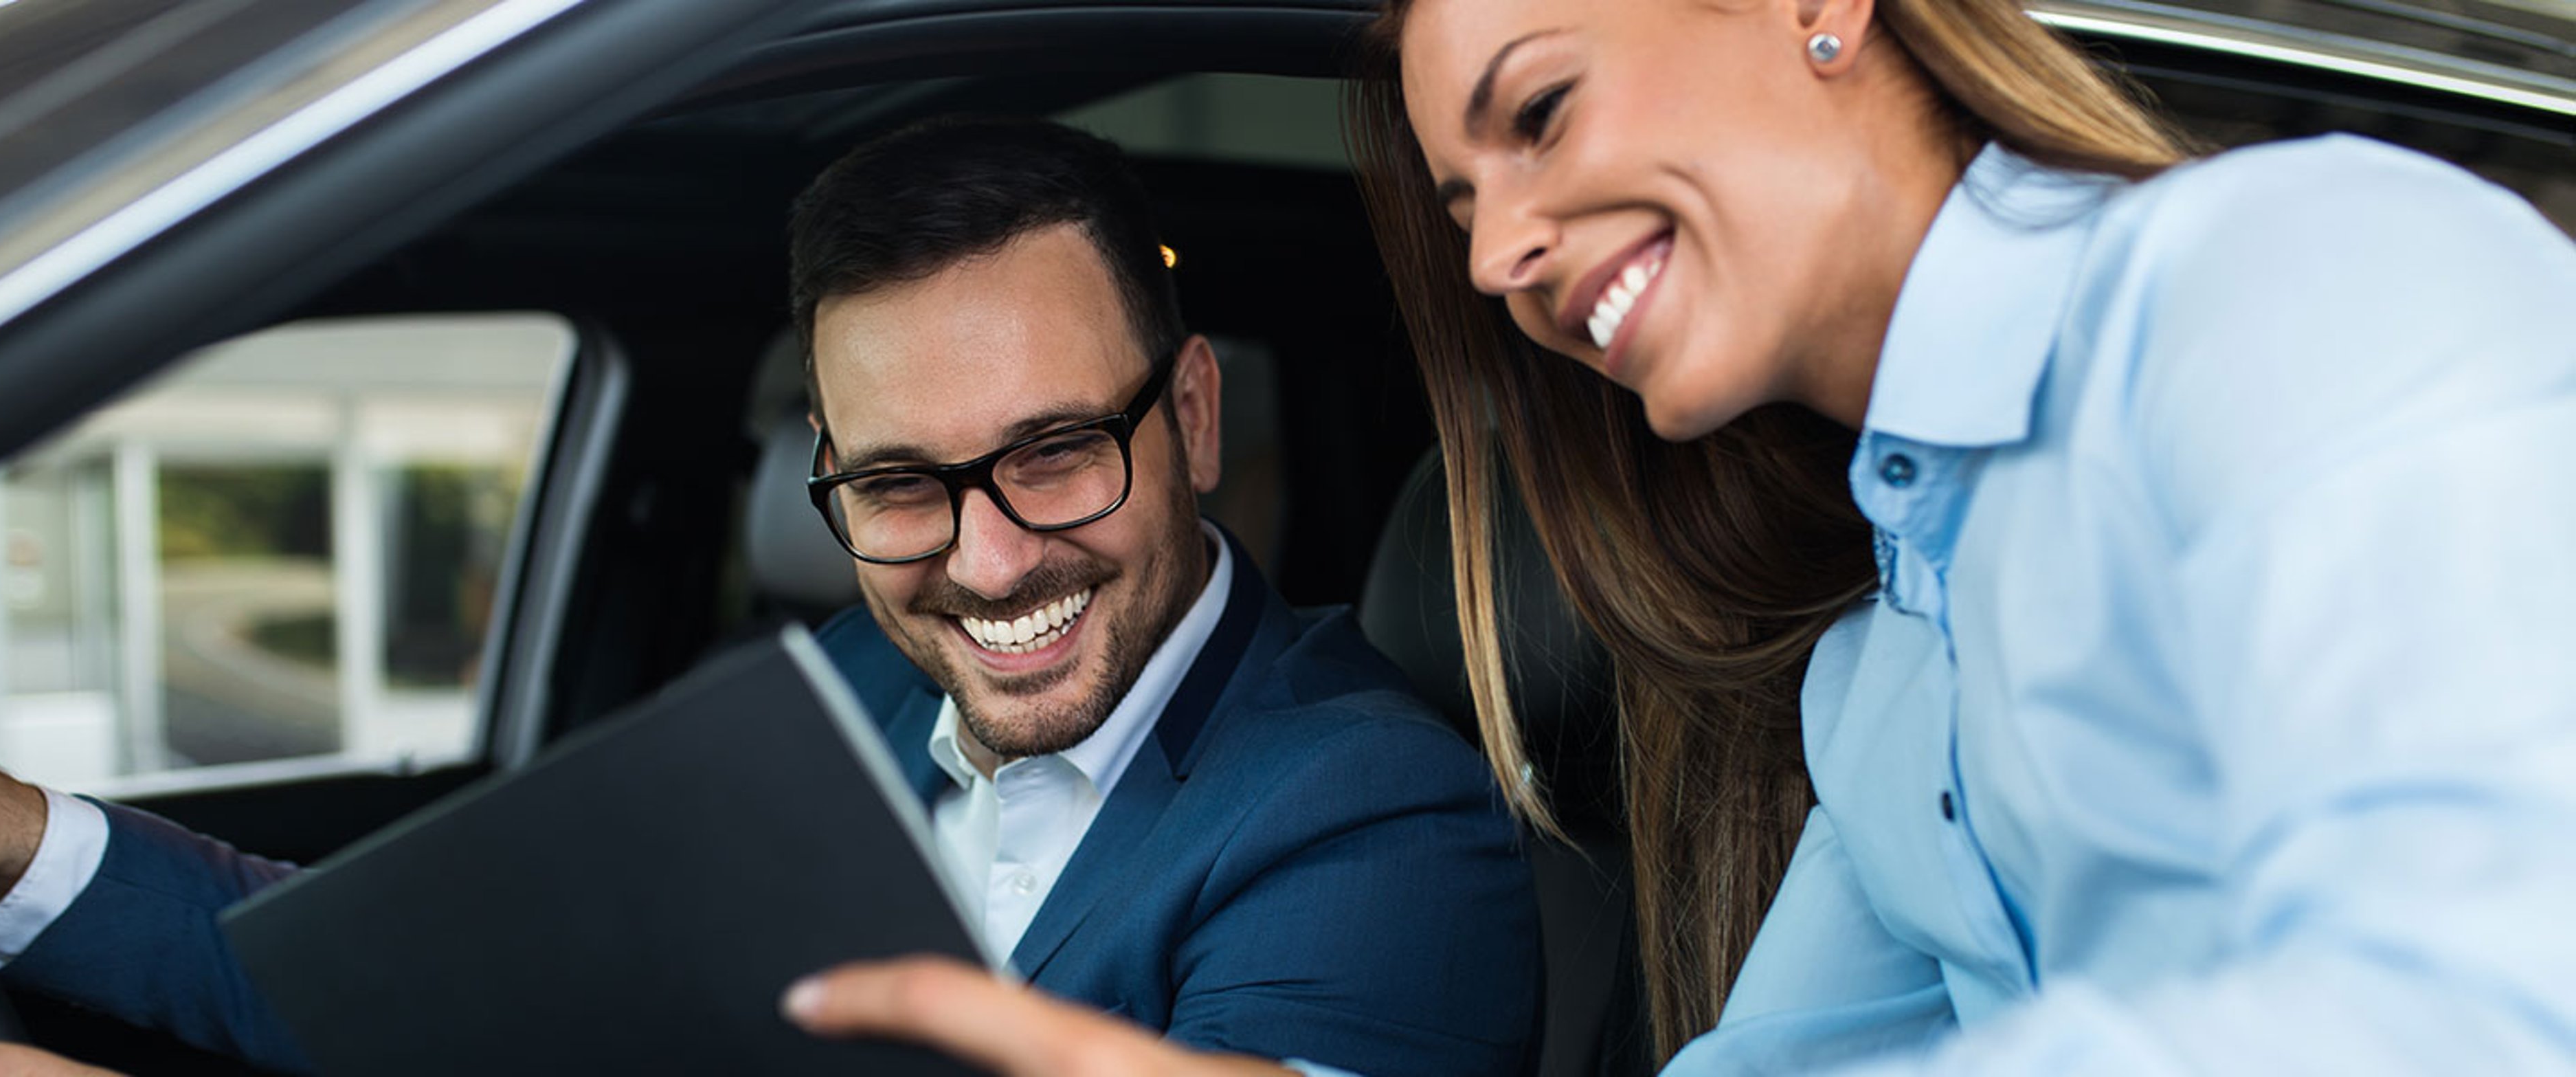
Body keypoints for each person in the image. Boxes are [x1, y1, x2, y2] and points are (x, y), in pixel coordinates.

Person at [775, 0, 2576, 1074]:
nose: (1498, 254)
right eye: (1466, 202)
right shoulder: (1882, 671)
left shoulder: (2294, 281)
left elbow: (2475, 1000)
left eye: (1543, 112)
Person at [0, 116, 1539, 1076]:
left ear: (1190, 417)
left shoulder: (1378, 821)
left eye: (1055, 455)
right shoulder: (847, 685)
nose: (987, 565)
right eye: (899, 485)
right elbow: (438, 991)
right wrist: (7, 832)